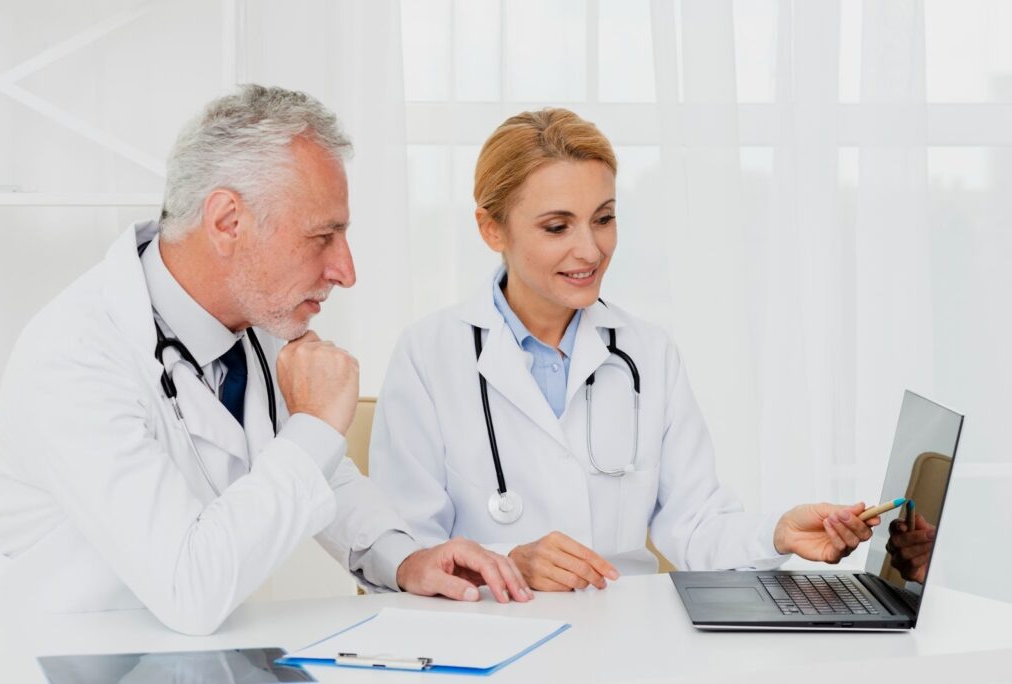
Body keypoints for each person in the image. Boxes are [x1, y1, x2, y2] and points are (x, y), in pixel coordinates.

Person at [0, 85, 530, 634]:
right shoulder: (75, 359)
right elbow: (189, 589)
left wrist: (405, 559)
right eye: (323, 236)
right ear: (228, 222)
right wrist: (316, 424)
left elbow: (320, 472)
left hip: (192, 663)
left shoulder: (253, 320)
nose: (346, 270)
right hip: (64, 656)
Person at [369, 108, 881, 592]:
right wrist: (507, 563)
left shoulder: (647, 354)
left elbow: (695, 523)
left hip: (626, 634)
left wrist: (778, 532)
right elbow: (408, 551)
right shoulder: (427, 355)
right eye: (557, 226)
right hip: (489, 637)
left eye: (604, 218)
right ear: (490, 228)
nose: (590, 250)